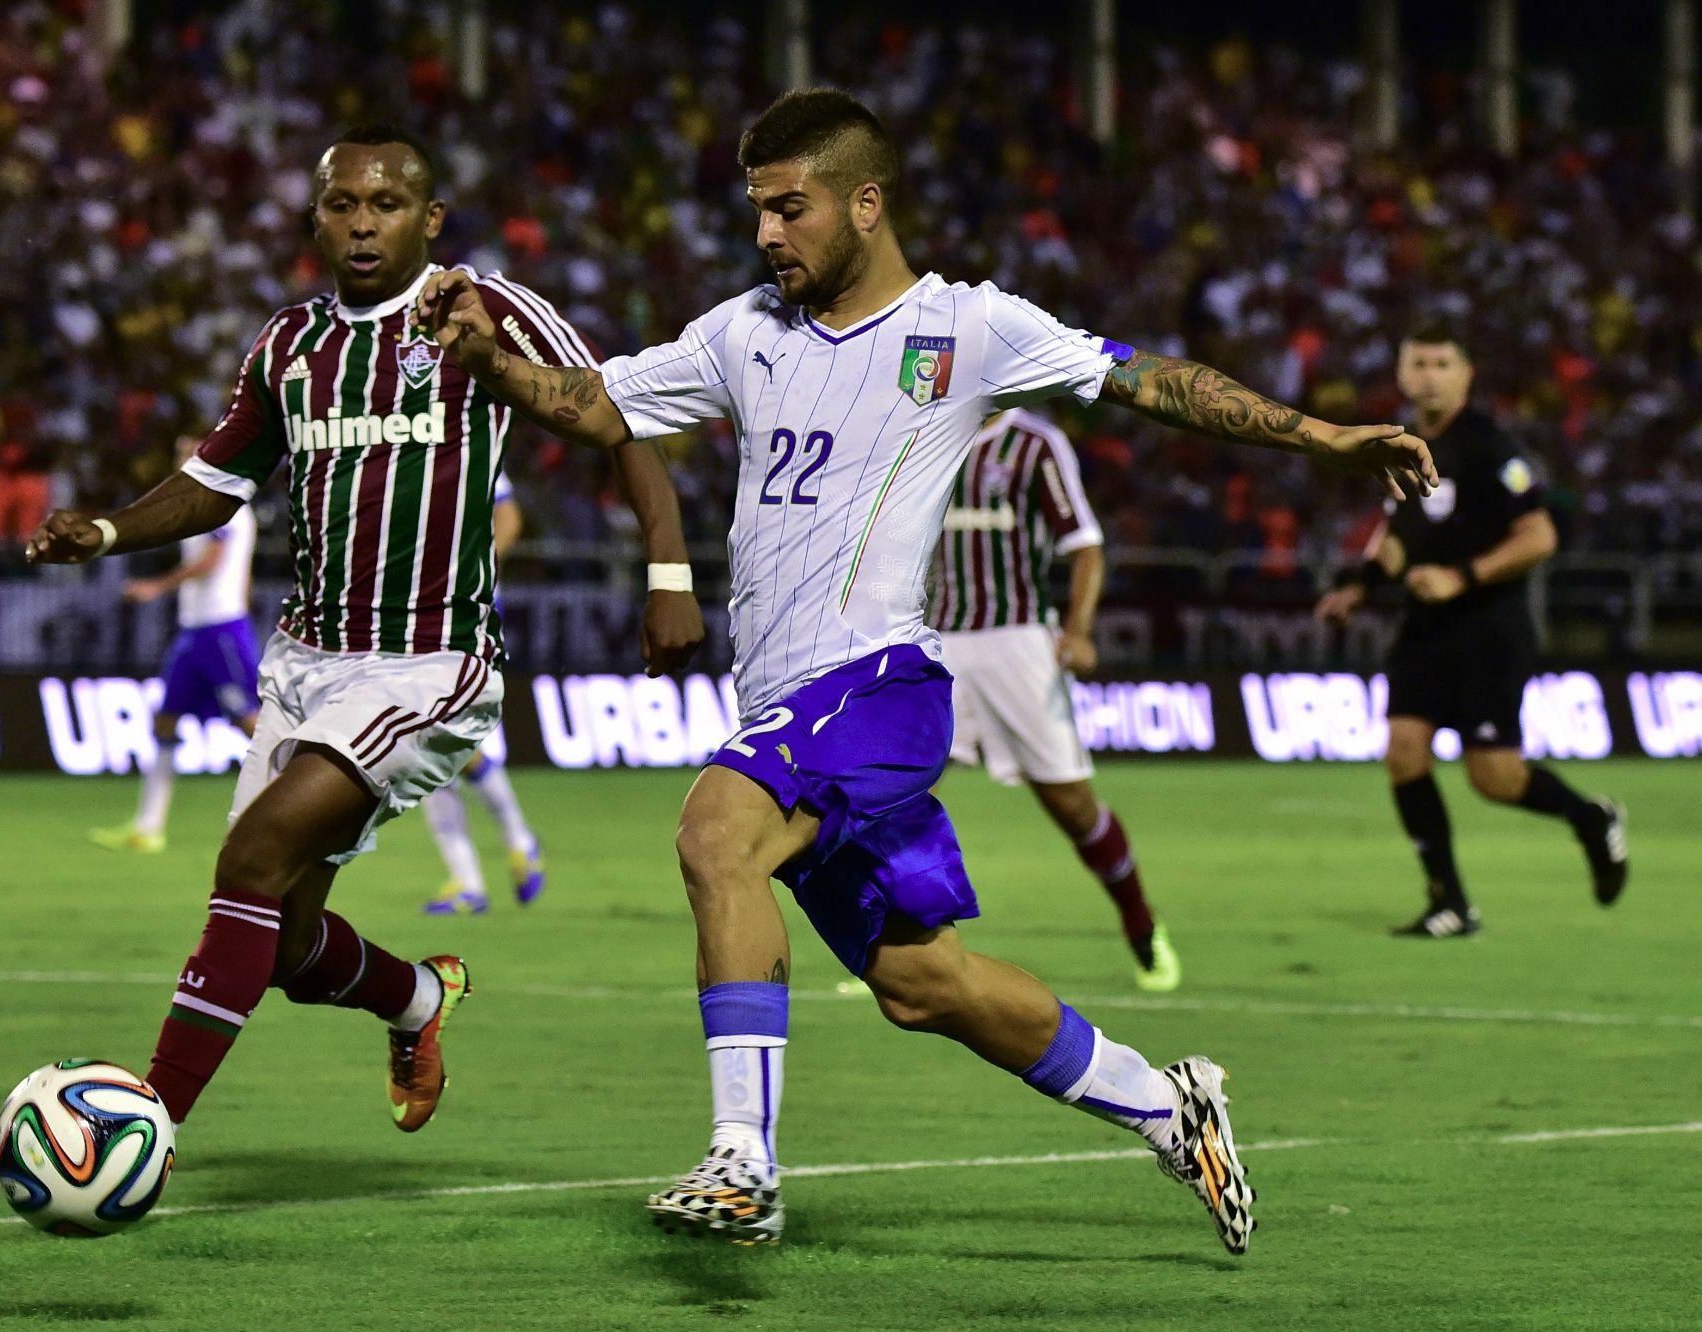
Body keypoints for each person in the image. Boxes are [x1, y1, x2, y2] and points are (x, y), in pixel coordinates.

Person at [425, 89, 1434, 1254]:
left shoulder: (968, 327)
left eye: (790, 208)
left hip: (877, 684)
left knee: (715, 834)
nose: (765, 233)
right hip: (787, 699)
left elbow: (1149, 379)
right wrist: (491, 360)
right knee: (924, 986)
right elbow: (598, 406)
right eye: (757, 210)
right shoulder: (742, 333)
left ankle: (743, 1161)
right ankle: (1170, 1106)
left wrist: (1326, 437)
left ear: (865, 204)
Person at [27, 123, 702, 1138]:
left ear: (429, 218)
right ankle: (418, 1001)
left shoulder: (487, 310)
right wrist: (111, 530)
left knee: (250, 860)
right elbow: (216, 481)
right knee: (284, 943)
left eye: (385, 204)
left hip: (428, 664)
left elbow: (617, 418)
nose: (361, 223)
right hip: (304, 663)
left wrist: (669, 573)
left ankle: (147, 1125)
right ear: (316, 219)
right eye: (342, 204)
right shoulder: (291, 345)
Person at [1315, 324, 1627, 937]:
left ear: (1466, 375)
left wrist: (1461, 577)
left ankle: (1591, 818)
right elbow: (1399, 536)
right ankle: (1450, 903)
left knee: (1494, 777)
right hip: (1426, 625)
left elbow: (1540, 536)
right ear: (1401, 373)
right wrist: (1359, 587)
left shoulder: (1491, 447)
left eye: (1442, 363)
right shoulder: (1401, 445)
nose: (1429, 375)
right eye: (1418, 363)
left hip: (1490, 626)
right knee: (1404, 752)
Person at [928, 407, 1180, 991]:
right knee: (905, 798)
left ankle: (1141, 924)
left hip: (1019, 640)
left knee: (1072, 805)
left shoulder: (1034, 444)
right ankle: (893, 949)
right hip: (936, 642)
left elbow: (1085, 547)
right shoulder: (923, 427)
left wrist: (1079, 631)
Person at [91, 436, 261, 855]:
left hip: (221, 629)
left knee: (253, 725)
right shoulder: (203, 505)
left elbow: (212, 561)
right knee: (165, 721)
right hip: (195, 630)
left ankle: (305, 808)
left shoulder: (225, 502)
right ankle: (148, 827)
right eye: (179, 454)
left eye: (190, 454)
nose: (182, 461)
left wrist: (156, 586)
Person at [423, 468, 547, 914]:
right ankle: (475, 876)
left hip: (465, 613)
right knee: (425, 740)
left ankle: (509, 847)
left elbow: (508, 518)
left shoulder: (476, 445)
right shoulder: (408, 450)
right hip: (421, 612)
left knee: (438, 736)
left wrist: (471, 575)